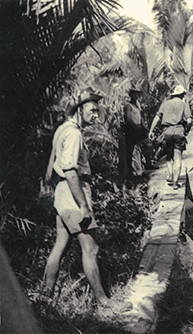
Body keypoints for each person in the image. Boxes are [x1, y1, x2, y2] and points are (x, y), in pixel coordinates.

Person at [42, 87, 112, 308]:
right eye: (92, 110)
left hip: (62, 194)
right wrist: (84, 205)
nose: (96, 115)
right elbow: (71, 171)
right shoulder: (73, 133)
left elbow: (50, 168)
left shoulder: (62, 130)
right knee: (91, 248)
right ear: (79, 110)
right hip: (74, 193)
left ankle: (45, 295)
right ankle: (102, 299)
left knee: (60, 244)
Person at [148, 85, 192, 190]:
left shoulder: (165, 104)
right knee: (177, 158)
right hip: (178, 132)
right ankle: (175, 183)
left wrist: (150, 131)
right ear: (182, 95)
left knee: (169, 154)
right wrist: (186, 130)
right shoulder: (183, 104)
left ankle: (170, 174)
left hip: (166, 132)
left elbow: (157, 117)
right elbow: (190, 120)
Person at [119, 86, 154, 180]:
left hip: (139, 128)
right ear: (131, 95)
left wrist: (143, 127)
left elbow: (140, 117)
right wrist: (135, 126)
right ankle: (129, 171)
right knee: (130, 150)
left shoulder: (136, 106)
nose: (136, 96)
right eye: (134, 94)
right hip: (131, 129)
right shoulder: (128, 106)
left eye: (137, 94)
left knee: (149, 144)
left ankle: (148, 163)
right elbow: (128, 118)